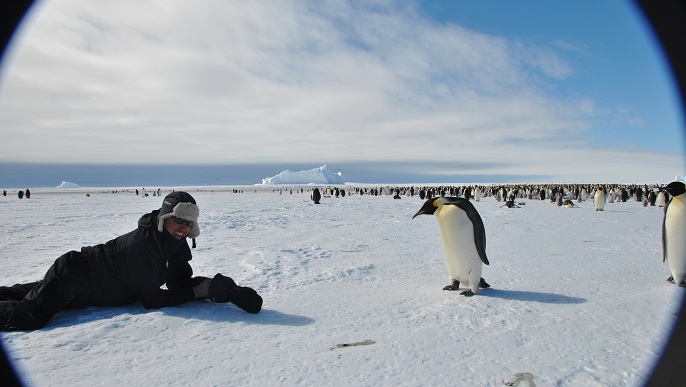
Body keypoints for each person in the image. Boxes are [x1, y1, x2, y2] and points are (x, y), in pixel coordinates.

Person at [0, 191, 262, 331]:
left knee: (18, 295)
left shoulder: (175, 247)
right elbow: (152, 299)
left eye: (189, 222)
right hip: (75, 275)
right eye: (178, 219)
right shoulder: (142, 245)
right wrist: (197, 291)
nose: (183, 227)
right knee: (32, 314)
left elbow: (180, 283)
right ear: (164, 217)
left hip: (86, 289)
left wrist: (225, 290)